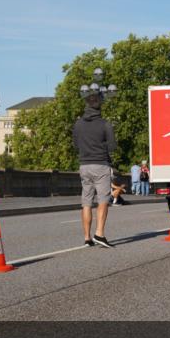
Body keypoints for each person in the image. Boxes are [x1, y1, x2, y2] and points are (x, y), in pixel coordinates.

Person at [72, 92, 116, 248]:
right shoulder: (105, 124)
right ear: (99, 106)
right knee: (103, 200)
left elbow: (75, 145)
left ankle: (87, 238)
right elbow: (112, 146)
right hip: (101, 165)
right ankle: (99, 234)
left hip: (84, 165)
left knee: (86, 202)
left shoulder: (78, 124)